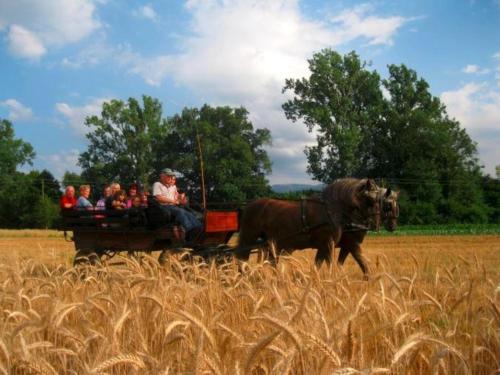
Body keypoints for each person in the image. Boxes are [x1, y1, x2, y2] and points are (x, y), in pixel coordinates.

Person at [153, 168, 202, 242]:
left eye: (171, 176)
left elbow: (177, 197)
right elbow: (159, 197)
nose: (170, 178)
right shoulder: (157, 184)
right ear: (162, 176)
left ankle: (199, 227)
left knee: (187, 212)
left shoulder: (173, 187)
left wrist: (181, 197)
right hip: (163, 206)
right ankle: (190, 229)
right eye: (168, 176)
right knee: (180, 211)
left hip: (173, 206)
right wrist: (173, 201)